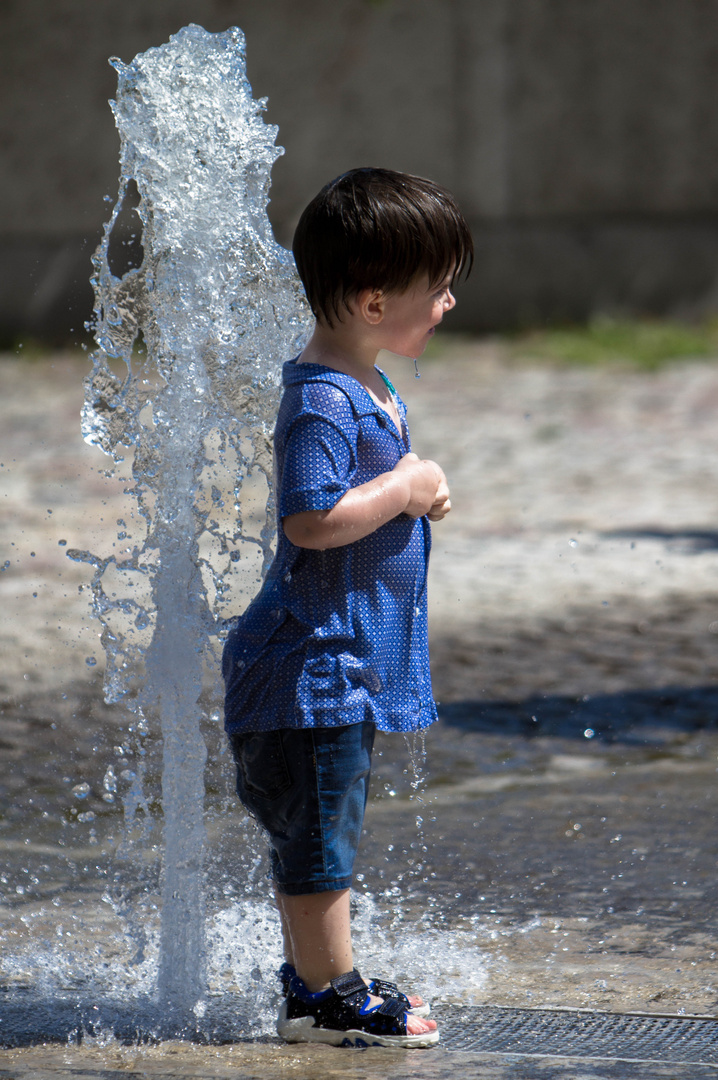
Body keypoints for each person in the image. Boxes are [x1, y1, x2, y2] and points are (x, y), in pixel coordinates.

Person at [222, 167, 473, 1048]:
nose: (445, 303)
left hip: (332, 665)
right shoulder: (322, 400)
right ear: (372, 301)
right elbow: (312, 516)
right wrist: (404, 485)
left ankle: (311, 983)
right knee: (320, 840)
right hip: (306, 670)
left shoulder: (367, 383)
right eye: (434, 289)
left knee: (322, 826)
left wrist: (414, 489)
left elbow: (367, 498)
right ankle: (332, 996)